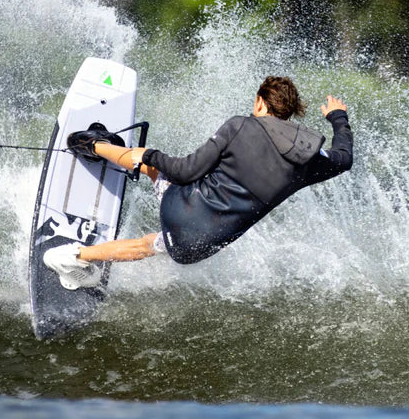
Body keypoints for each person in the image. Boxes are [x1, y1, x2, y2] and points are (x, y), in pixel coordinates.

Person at [44, 76, 353, 289]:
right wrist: (338, 117)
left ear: (260, 103)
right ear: (289, 113)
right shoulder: (310, 159)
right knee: (152, 244)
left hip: (179, 209)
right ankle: (74, 258)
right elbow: (343, 157)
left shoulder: (241, 126)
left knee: (155, 166)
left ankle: (91, 145)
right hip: (198, 247)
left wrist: (151, 155)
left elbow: (184, 172)